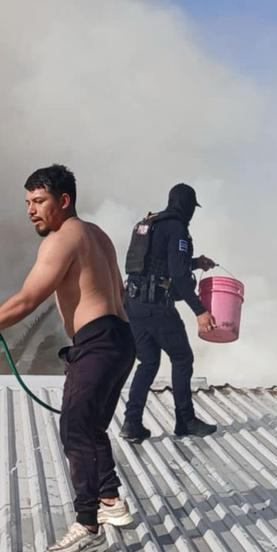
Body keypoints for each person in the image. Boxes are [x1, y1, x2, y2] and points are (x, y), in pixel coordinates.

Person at [0, 164, 135, 552]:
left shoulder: (62, 239)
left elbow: (27, 300)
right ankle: (110, 501)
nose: (31, 210)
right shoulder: (97, 235)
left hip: (97, 343)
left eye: (39, 201)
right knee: (90, 427)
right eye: (28, 202)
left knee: (75, 430)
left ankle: (88, 528)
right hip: (120, 340)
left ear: (64, 201)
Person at [119, 183, 219, 442]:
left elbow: (154, 264)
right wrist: (200, 311)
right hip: (156, 306)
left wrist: (196, 263)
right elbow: (178, 275)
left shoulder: (149, 223)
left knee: (149, 362)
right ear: (187, 206)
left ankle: (131, 423)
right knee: (182, 358)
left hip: (133, 303)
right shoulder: (177, 228)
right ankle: (185, 421)